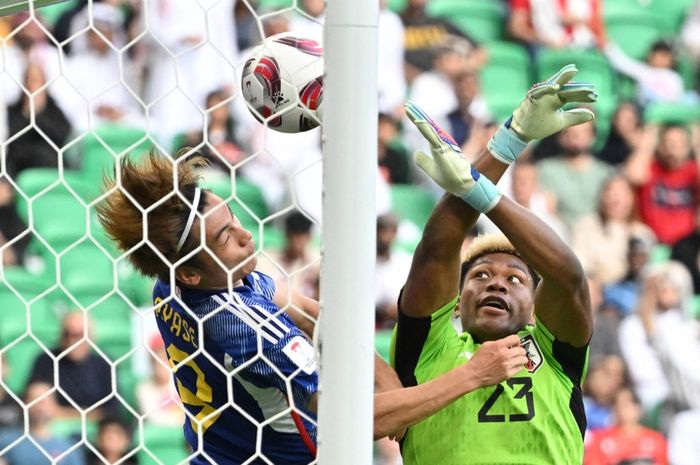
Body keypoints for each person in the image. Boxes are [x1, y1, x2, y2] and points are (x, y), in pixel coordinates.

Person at [96, 149, 533, 463]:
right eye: (226, 238)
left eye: (234, 220)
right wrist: (474, 374)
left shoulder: (181, 282)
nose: (246, 236)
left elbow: (311, 314)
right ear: (190, 272)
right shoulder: (246, 329)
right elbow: (354, 420)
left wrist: (391, 387)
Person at [392, 64, 596, 464]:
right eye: (480, 275)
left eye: (515, 278)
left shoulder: (553, 354)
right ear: (455, 300)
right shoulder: (432, 351)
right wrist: (504, 147)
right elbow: (437, 250)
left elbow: (568, 277)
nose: (496, 283)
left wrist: (487, 177)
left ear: (537, 306)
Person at [28, 312, 119, 420]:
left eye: (78, 335)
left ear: (91, 337)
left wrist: (61, 413)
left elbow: (110, 411)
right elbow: (34, 401)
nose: (71, 341)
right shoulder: (46, 360)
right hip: (52, 430)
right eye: (66, 334)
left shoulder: (105, 363)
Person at [0, 382, 86, 465]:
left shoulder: (69, 447)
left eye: (46, 400)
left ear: (55, 404)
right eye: (35, 399)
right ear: (24, 404)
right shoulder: (6, 440)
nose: (40, 405)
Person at [584, 387, 669, 465]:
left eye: (626, 404)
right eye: (617, 404)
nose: (621, 409)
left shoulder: (656, 439)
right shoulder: (599, 439)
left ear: (638, 408)